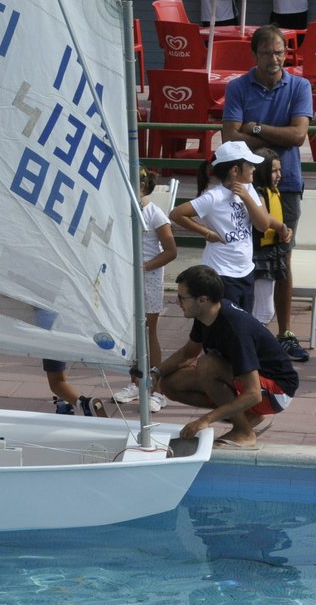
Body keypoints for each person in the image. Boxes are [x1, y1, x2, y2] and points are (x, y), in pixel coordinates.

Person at [220, 24, 314, 360]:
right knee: (245, 255)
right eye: (266, 52)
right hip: (245, 186)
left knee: (282, 259)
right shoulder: (238, 87)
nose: (274, 59)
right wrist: (277, 136)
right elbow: (229, 137)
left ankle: (285, 333)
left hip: (285, 185)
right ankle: (245, 329)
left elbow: (299, 137)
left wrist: (255, 129)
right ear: (254, 54)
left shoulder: (300, 85)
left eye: (280, 52)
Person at [156, 265, 298, 451]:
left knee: (207, 364)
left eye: (182, 297)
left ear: (202, 299)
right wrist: (155, 373)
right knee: (170, 384)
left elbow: (253, 393)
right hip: (251, 384)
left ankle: (244, 432)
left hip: (277, 390)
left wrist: (204, 421)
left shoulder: (235, 330)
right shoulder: (206, 315)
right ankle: (248, 416)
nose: (177, 302)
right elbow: (188, 353)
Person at [170, 141, 288, 312]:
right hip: (221, 273)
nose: (254, 168)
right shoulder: (214, 197)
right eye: (250, 165)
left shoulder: (248, 189)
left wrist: (247, 197)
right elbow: (176, 214)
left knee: (242, 320)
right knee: (225, 325)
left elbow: (262, 225)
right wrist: (207, 233)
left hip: (245, 270)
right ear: (235, 170)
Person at [111, 168, 179, 411]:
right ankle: (135, 382)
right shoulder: (123, 211)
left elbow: (171, 251)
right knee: (130, 331)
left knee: (149, 331)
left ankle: (157, 389)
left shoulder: (154, 213)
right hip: (125, 277)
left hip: (147, 278)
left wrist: (144, 266)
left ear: (141, 186)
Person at [249, 156, 290, 328]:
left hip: (272, 252)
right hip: (259, 256)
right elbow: (264, 221)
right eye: (274, 171)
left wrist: (286, 230)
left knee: (262, 309)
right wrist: (281, 227)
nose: (279, 175)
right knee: (263, 310)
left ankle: (255, 346)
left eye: (279, 170)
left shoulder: (273, 191)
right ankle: (255, 347)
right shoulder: (258, 194)